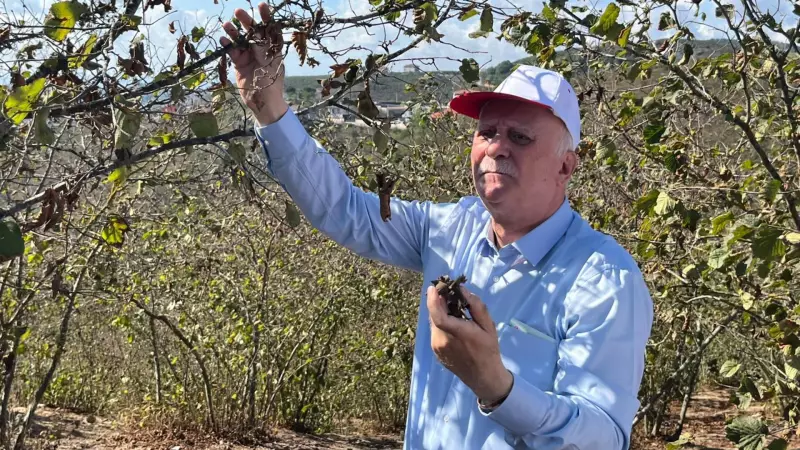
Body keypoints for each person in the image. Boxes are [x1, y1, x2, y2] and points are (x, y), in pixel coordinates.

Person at [220, 4, 653, 449]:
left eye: (520, 137)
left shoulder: (603, 279)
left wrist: (497, 387)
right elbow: (344, 210)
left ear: (566, 166)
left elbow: (602, 437)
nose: (496, 148)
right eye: (487, 132)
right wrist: (268, 107)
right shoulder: (450, 229)